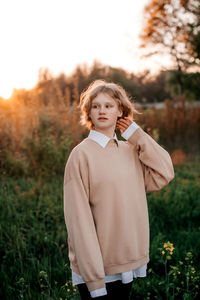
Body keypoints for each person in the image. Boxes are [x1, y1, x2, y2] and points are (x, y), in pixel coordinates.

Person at [63, 79, 175, 299]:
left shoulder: (130, 150)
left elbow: (165, 172)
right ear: (89, 113)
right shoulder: (81, 155)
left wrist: (137, 135)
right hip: (97, 270)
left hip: (127, 265)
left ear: (120, 111)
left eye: (109, 105)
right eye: (96, 106)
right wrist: (95, 281)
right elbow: (79, 221)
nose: (102, 111)